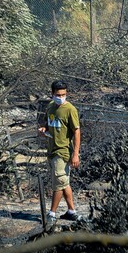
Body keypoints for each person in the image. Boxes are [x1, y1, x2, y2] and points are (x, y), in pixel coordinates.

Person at [38, 80, 81, 225]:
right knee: (64, 182)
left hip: (63, 152)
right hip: (51, 149)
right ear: (52, 94)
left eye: (63, 94)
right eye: (58, 94)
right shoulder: (50, 107)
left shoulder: (70, 109)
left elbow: (76, 132)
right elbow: (46, 123)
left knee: (58, 183)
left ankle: (52, 213)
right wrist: (43, 129)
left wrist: (75, 154)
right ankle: (71, 211)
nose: (61, 97)